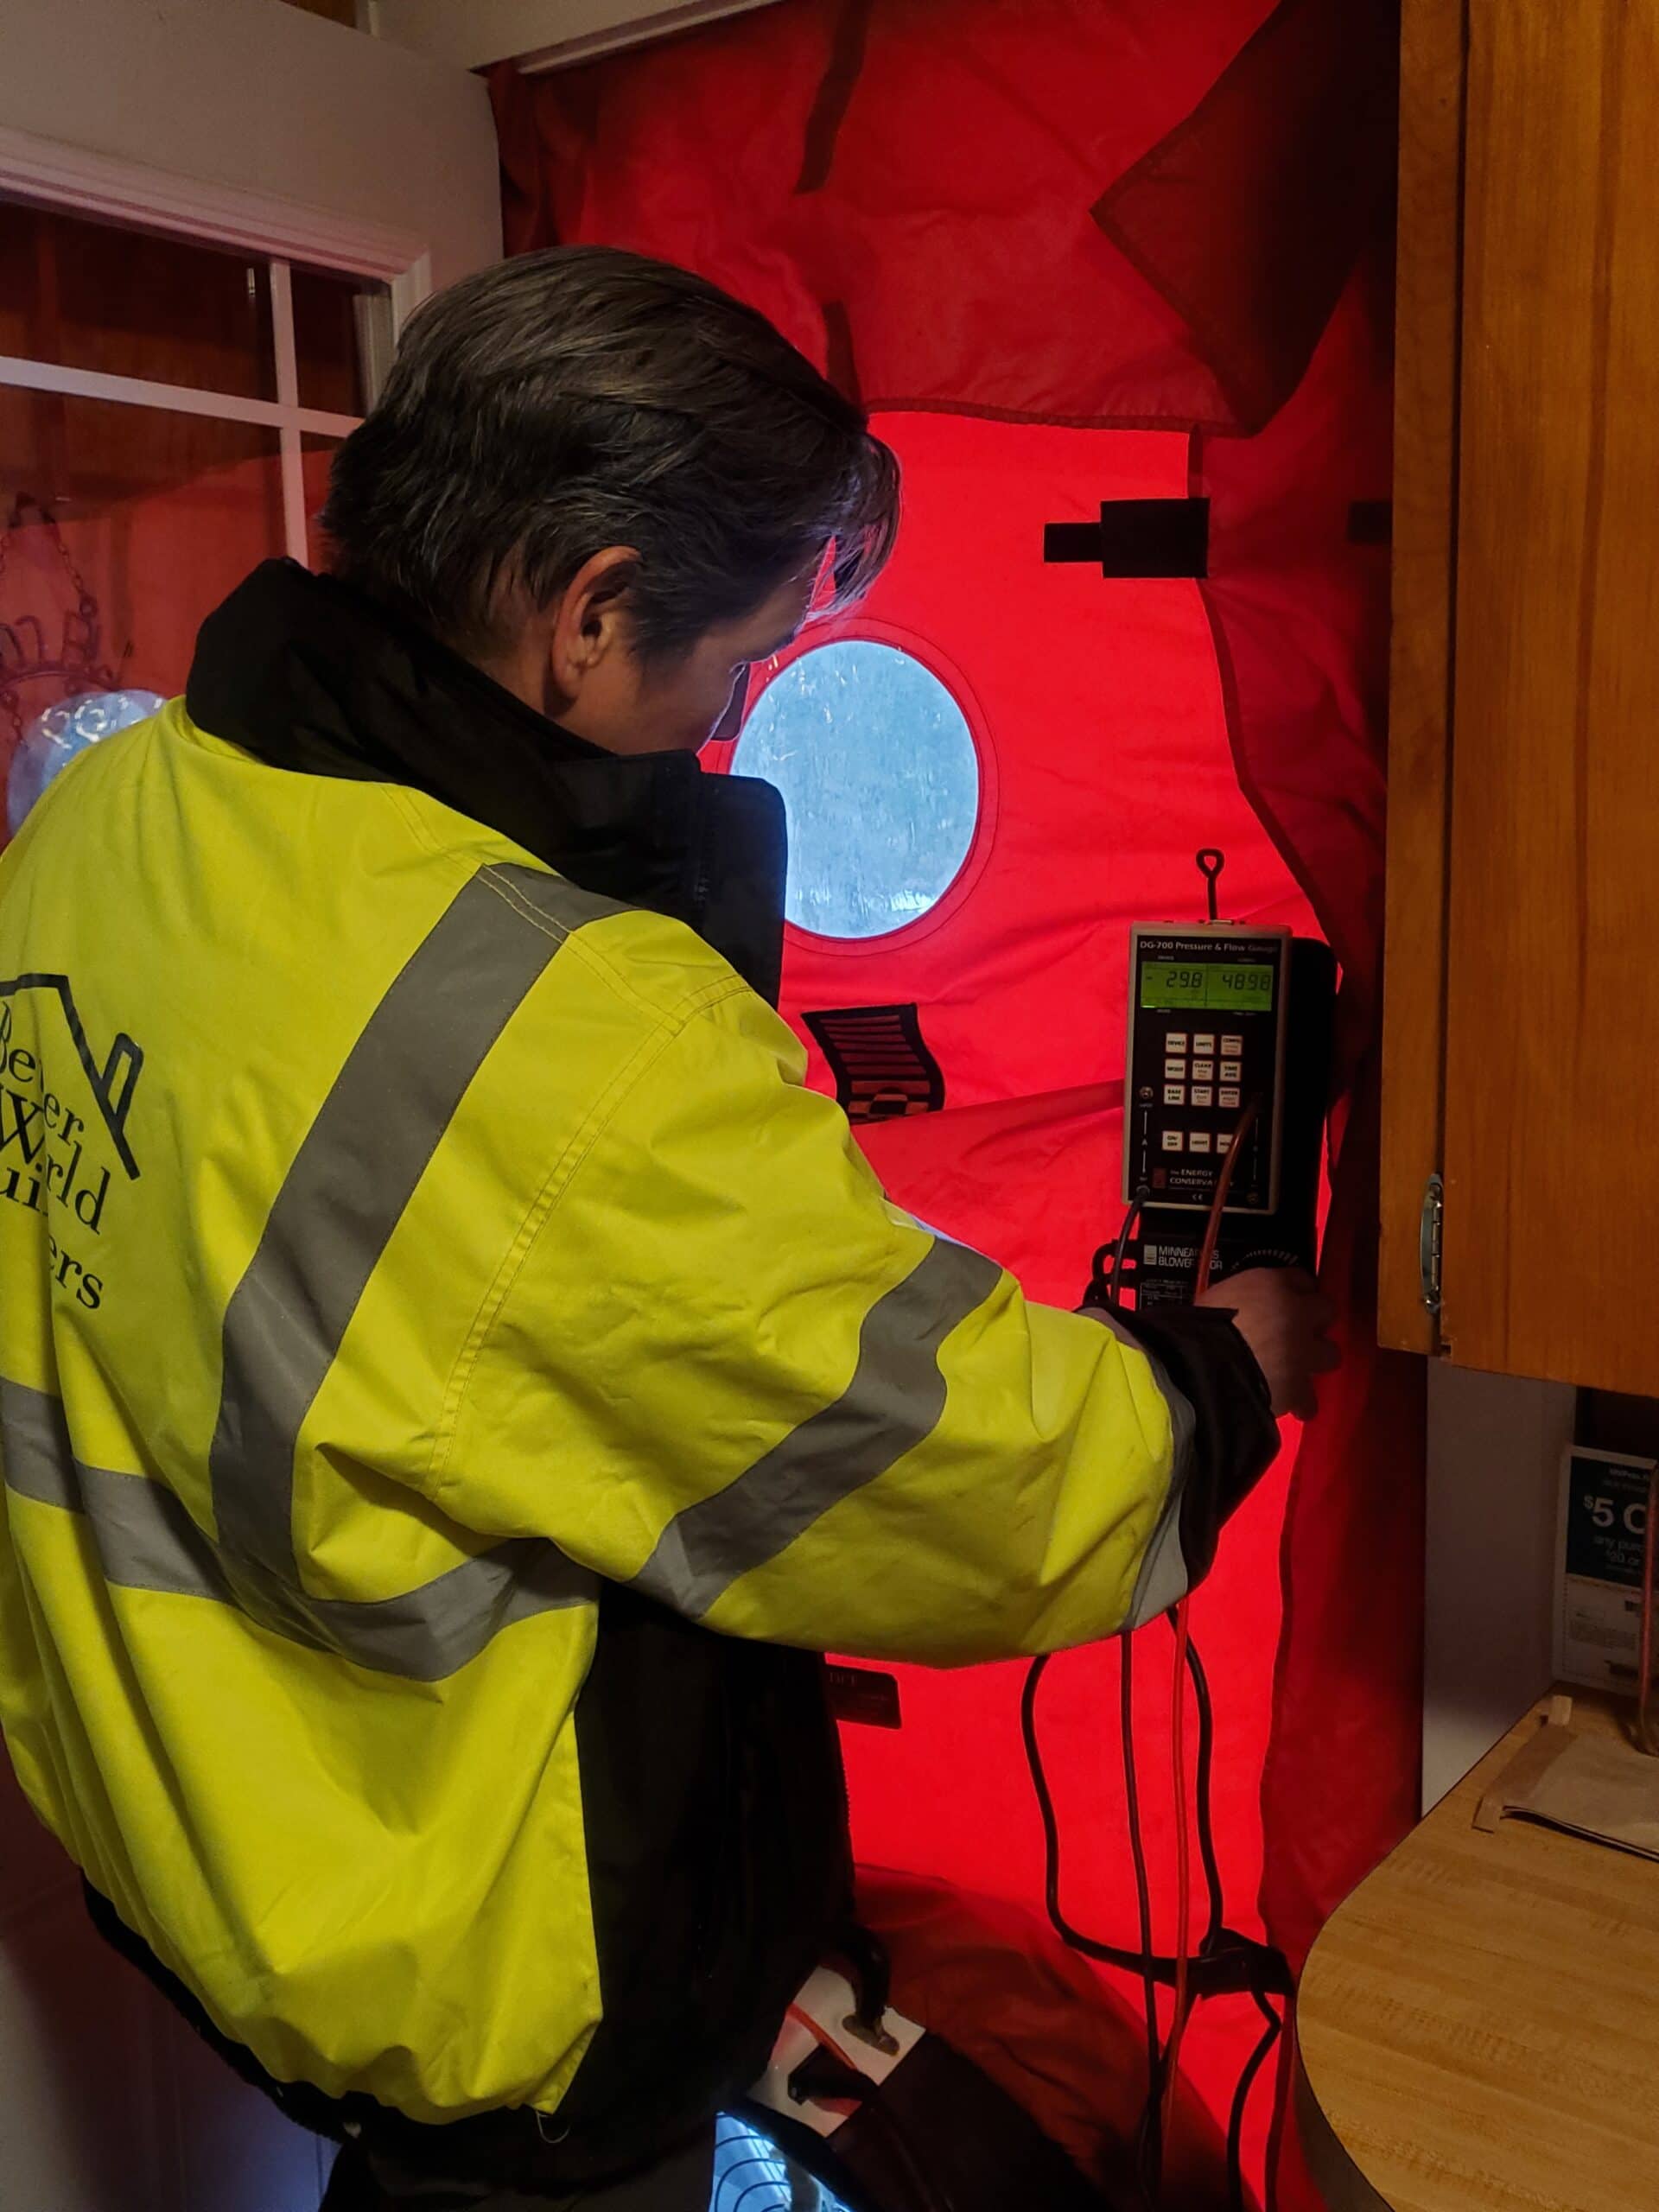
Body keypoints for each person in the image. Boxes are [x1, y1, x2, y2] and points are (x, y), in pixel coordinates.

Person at [0, 247, 1336, 2210]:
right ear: (592, 610)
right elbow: (966, 1473)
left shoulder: (104, 815)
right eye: (741, 657)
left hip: (219, 1855)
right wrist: (1219, 1371)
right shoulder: (569, 1041)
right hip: (491, 2002)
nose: (731, 713)